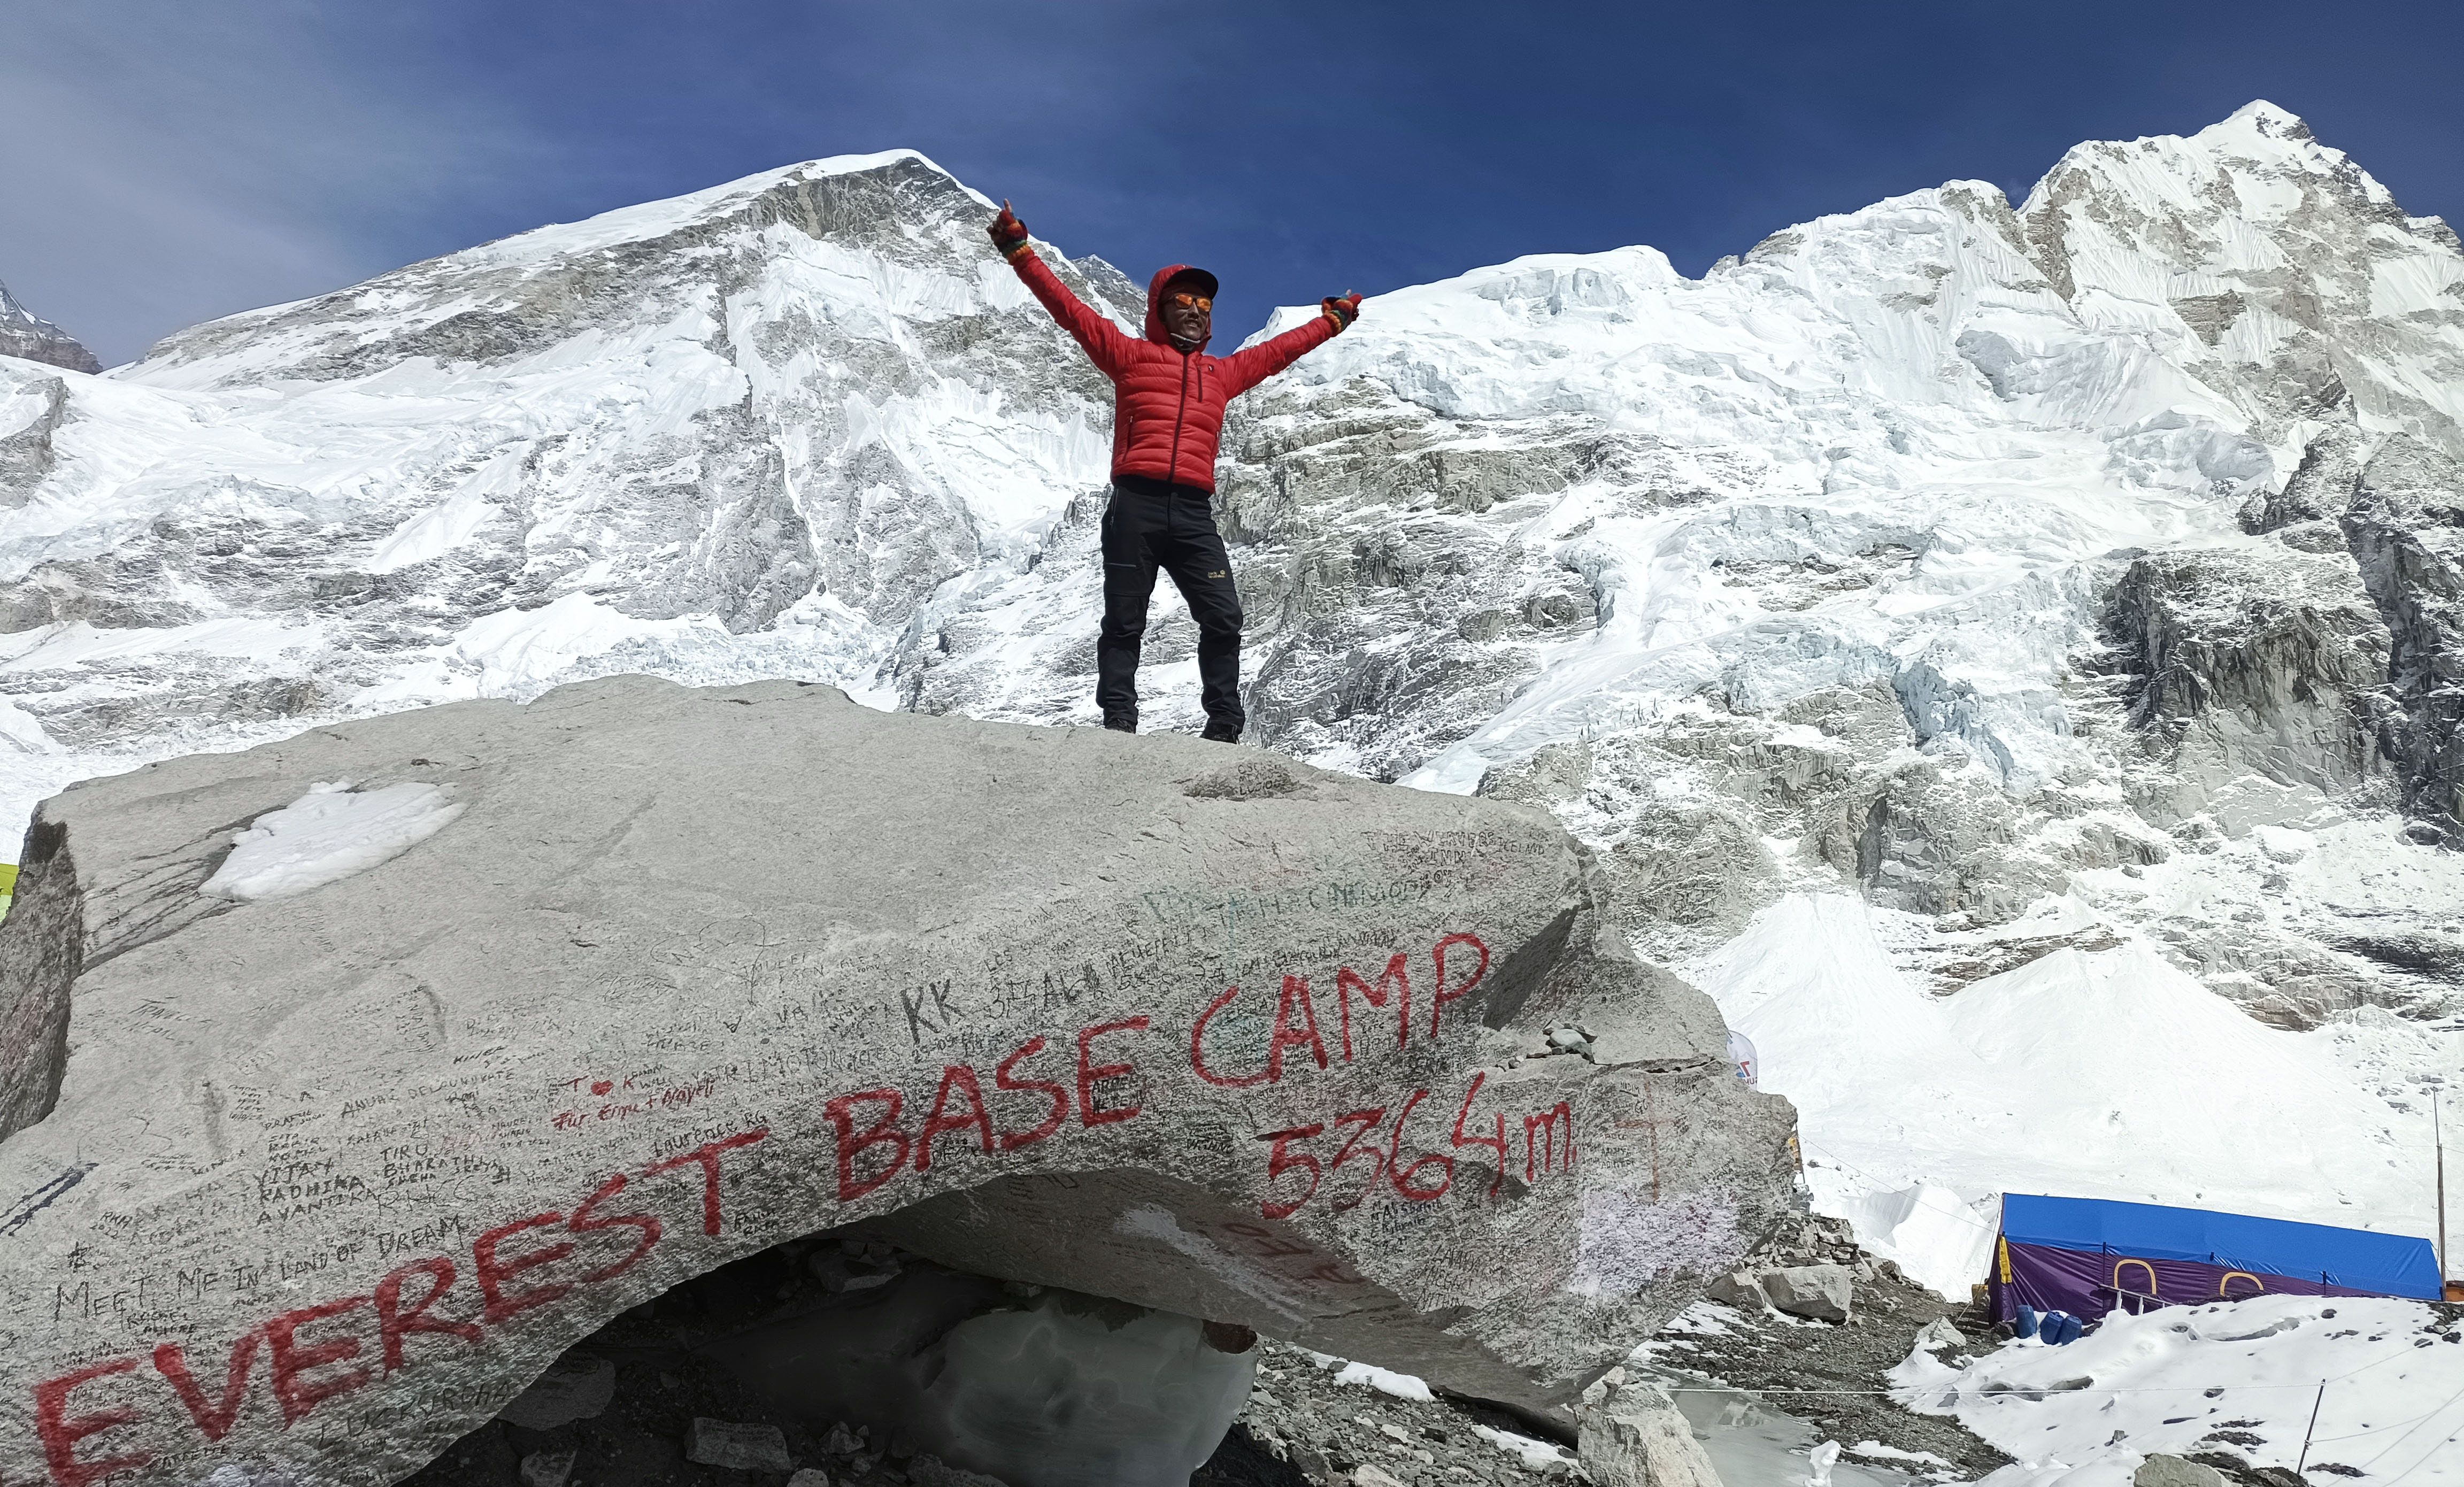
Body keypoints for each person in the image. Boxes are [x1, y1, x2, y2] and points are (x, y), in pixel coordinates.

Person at [988, 199, 1361, 743]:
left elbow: (1282, 350)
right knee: (1124, 621)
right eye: (1184, 301)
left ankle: (1225, 725)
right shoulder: (1128, 356)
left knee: (1224, 616)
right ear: (1160, 309)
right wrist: (1018, 251)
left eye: (1205, 304)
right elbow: (1067, 308)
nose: (1197, 309)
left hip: (1191, 513)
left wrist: (1332, 322)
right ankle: (1119, 722)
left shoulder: (1224, 373)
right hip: (1134, 505)